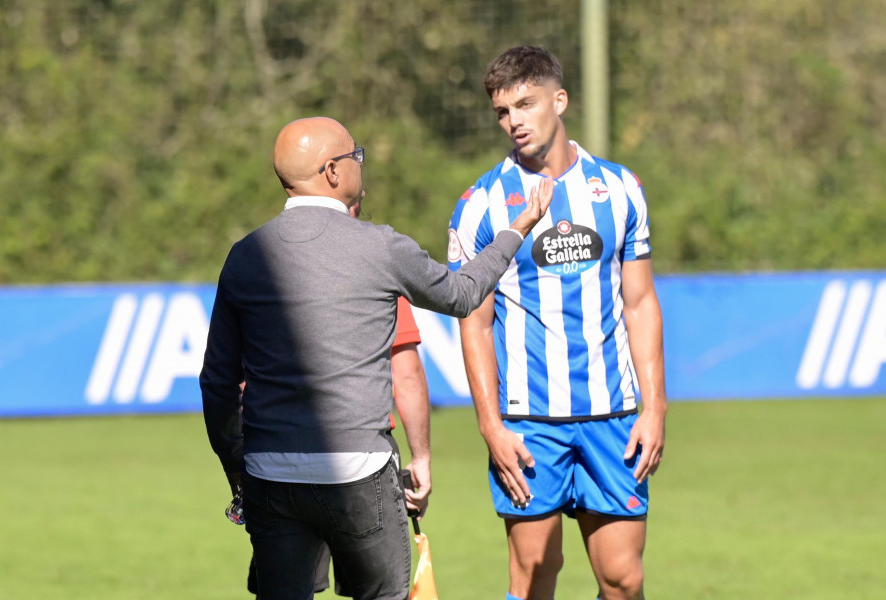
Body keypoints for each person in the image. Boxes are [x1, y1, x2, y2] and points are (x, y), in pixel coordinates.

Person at [200, 115, 553, 600]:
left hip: (270, 476)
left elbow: (217, 382)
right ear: (331, 172)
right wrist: (517, 229)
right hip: (360, 474)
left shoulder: (245, 255)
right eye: (355, 156)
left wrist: (237, 467)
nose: (359, 164)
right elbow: (463, 294)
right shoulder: (378, 245)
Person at [446, 46, 667, 600]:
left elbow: (639, 303)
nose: (514, 120)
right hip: (528, 423)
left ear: (559, 100)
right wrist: (491, 427)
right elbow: (473, 325)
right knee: (534, 574)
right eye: (503, 111)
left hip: (612, 417)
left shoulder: (619, 188)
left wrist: (655, 406)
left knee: (624, 579)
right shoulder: (480, 205)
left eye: (526, 103)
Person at [243, 296, 430, 598]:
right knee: (379, 592)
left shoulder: (271, 265)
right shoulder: (381, 264)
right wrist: (421, 458)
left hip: (283, 455)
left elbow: (234, 376)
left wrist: (239, 462)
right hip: (365, 456)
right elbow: (406, 373)